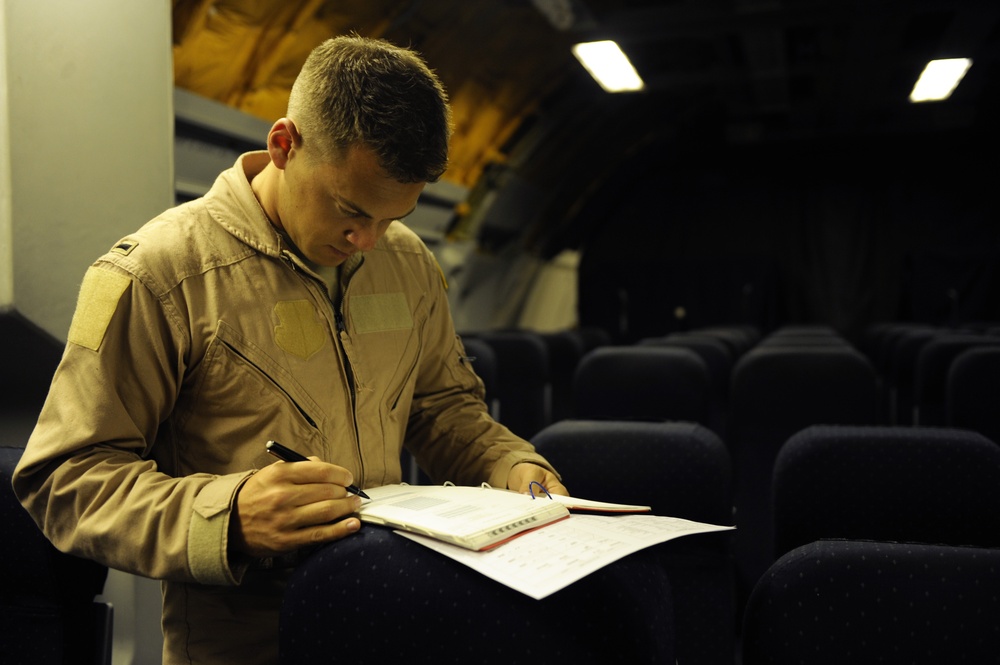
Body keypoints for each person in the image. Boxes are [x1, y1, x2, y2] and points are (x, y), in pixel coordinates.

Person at [13, 35, 566, 665]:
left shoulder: (407, 260)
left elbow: (442, 407)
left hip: (388, 621)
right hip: (242, 645)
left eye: (392, 218)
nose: (368, 241)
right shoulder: (160, 276)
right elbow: (65, 479)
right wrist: (229, 517)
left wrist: (511, 466)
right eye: (352, 211)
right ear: (284, 144)